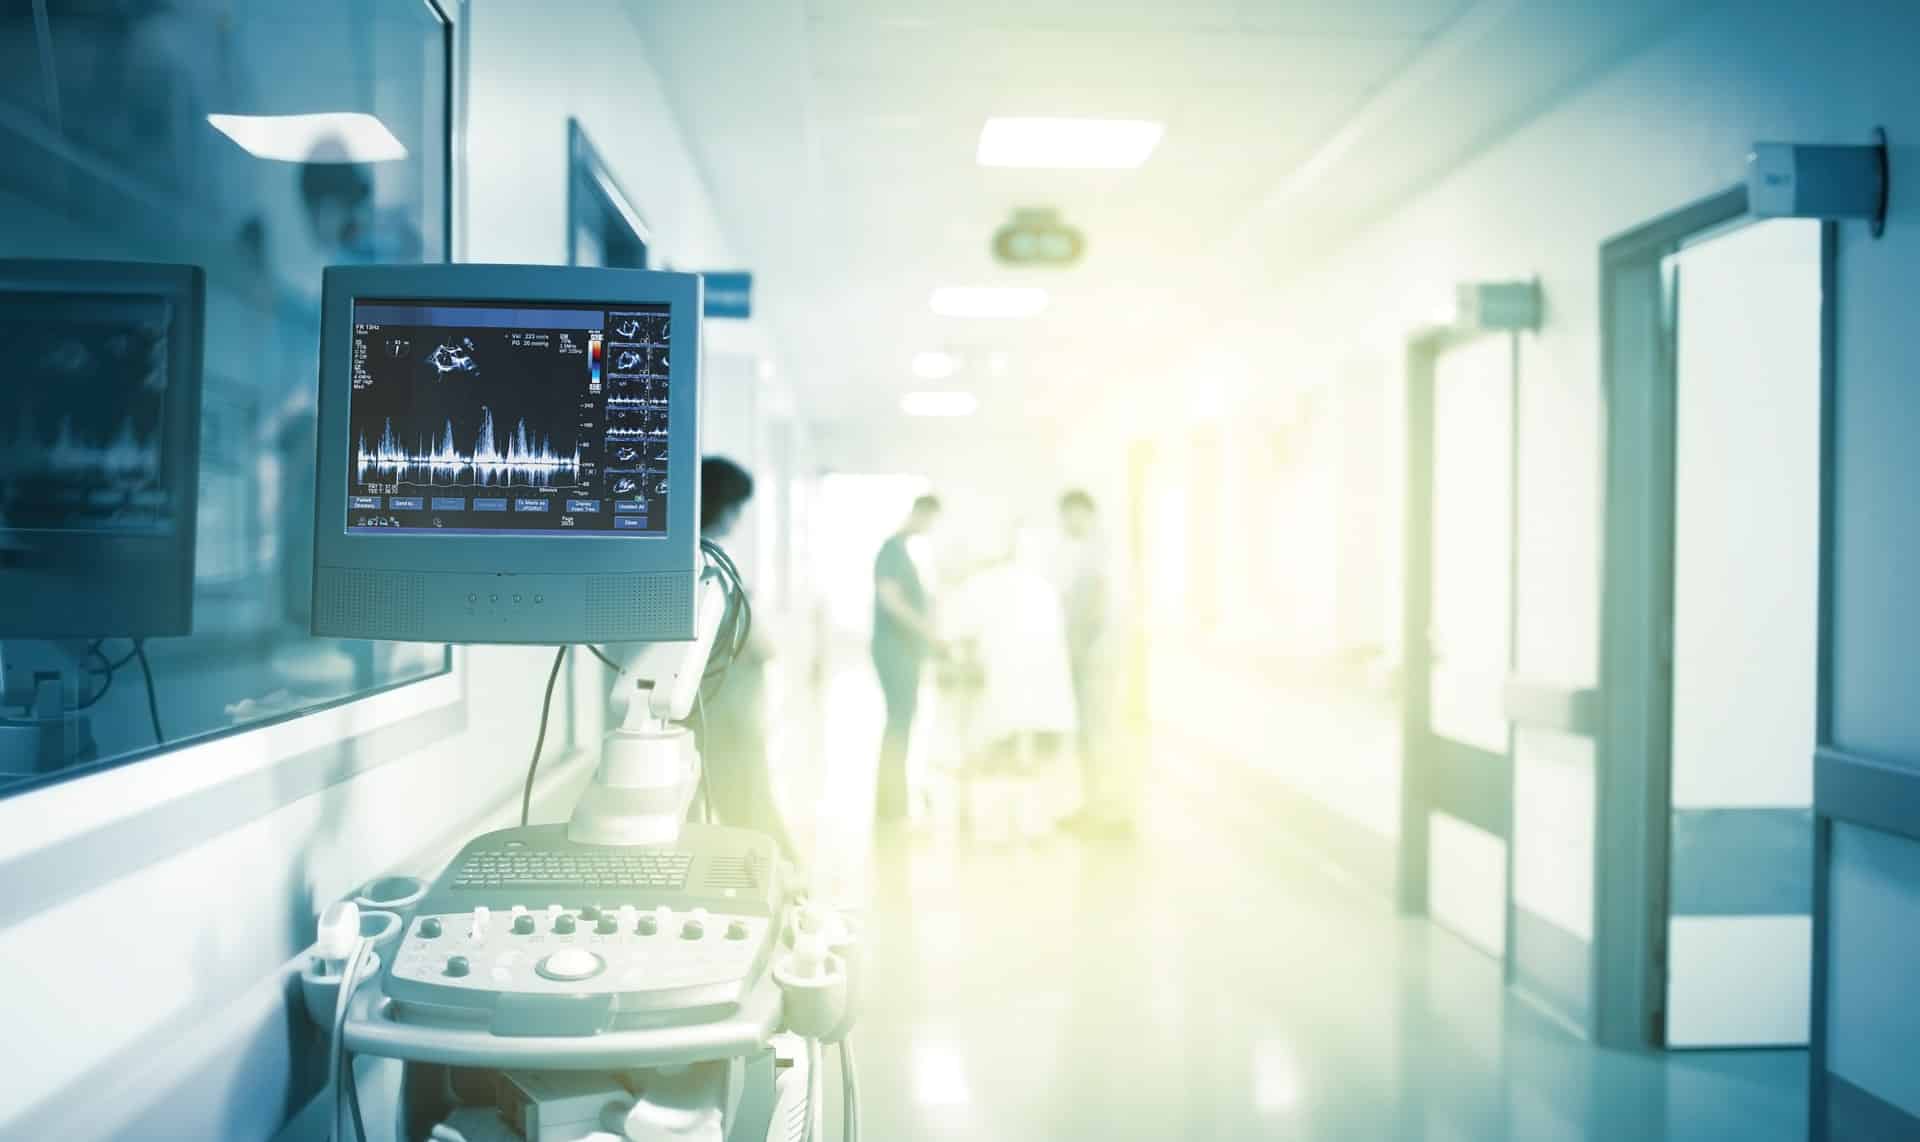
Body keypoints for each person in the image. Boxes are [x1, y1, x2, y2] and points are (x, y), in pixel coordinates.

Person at [692, 456, 798, 859]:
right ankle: (788, 886)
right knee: (749, 806)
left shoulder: (697, 561)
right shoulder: (712, 567)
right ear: (718, 505)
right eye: (735, 507)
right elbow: (761, 645)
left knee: (739, 802)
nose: (738, 518)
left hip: (718, 710)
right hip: (727, 714)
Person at [1055, 489, 1132, 838]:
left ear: (1082, 512)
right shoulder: (1090, 550)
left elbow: (1092, 606)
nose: (1065, 524)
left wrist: (1074, 651)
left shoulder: (1099, 551)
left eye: (1068, 516)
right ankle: (1094, 808)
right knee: (1090, 734)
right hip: (1090, 653)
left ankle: (1111, 815)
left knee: (1100, 734)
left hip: (1096, 654)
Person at [871, 494, 942, 823]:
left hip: (904, 650)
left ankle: (893, 795)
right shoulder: (892, 550)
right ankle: (890, 800)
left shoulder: (903, 553)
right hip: (894, 649)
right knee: (899, 719)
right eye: (931, 520)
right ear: (921, 513)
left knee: (902, 719)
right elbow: (891, 601)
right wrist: (928, 632)